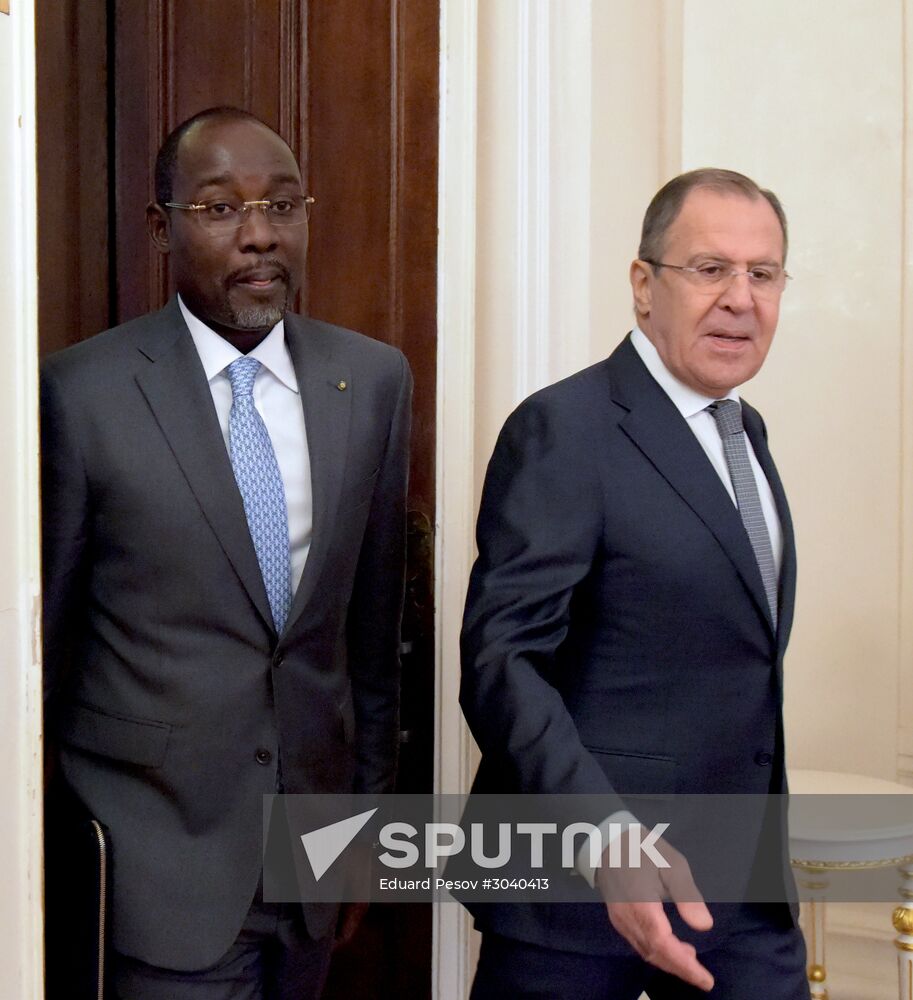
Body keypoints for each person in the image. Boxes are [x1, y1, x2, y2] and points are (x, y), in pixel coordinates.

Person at [41, 106, 412, 999]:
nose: (258, 236)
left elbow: (373, 635)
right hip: (156, 869)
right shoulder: (80, 395)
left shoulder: (370, 382)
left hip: (311, 864)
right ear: (161, 227)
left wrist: (364, 828)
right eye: (219, 210)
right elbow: (42, 647)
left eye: (282, 206)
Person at [460, 169, 809, 998]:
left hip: (737, 896)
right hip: (573, 906)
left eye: (762, 274)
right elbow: (502, 663)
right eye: (709, 269)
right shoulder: (565, 427)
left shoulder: (744, 431)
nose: (739, 298)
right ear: (643, 285)